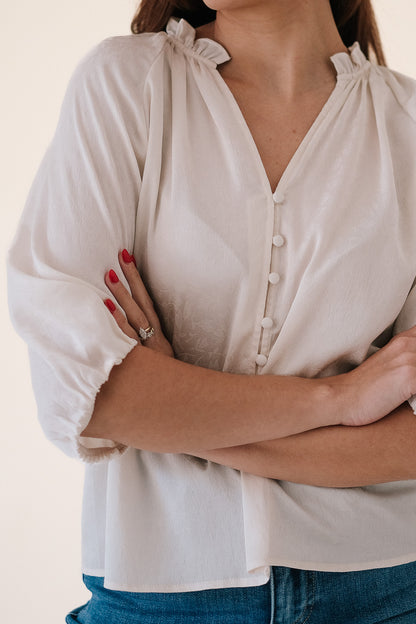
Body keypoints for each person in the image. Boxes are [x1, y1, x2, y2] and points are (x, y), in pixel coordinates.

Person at [6, 0, 416, 621]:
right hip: (157, 594)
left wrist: (183, 417)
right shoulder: (125, 84)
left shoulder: (408, 125)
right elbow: (99, 395)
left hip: (385, 589)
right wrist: (340, 400)